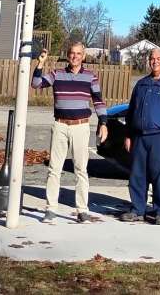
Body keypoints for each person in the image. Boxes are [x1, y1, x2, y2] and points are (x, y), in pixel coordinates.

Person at [32, 41, 108, 223]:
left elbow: (98, 101)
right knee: (54, 169)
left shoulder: (90, 77)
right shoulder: (57, 74)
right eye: (72, 53)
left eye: (78, 54)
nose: (75, 56)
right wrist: (40, 64)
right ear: (68, 55)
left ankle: (82, 210)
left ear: (83, 56)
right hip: (60, 125)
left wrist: (103, 122)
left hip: (81, 127)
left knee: (81, 170)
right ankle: (50, 209)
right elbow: (36, 84)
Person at [121, 47, 160, 225]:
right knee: (137, 174)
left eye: (158, 58)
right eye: (152, 58)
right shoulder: (141, 84)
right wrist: (128, 134)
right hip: (140, 137)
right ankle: (137, 209)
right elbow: (131, 111)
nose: (155, 61)